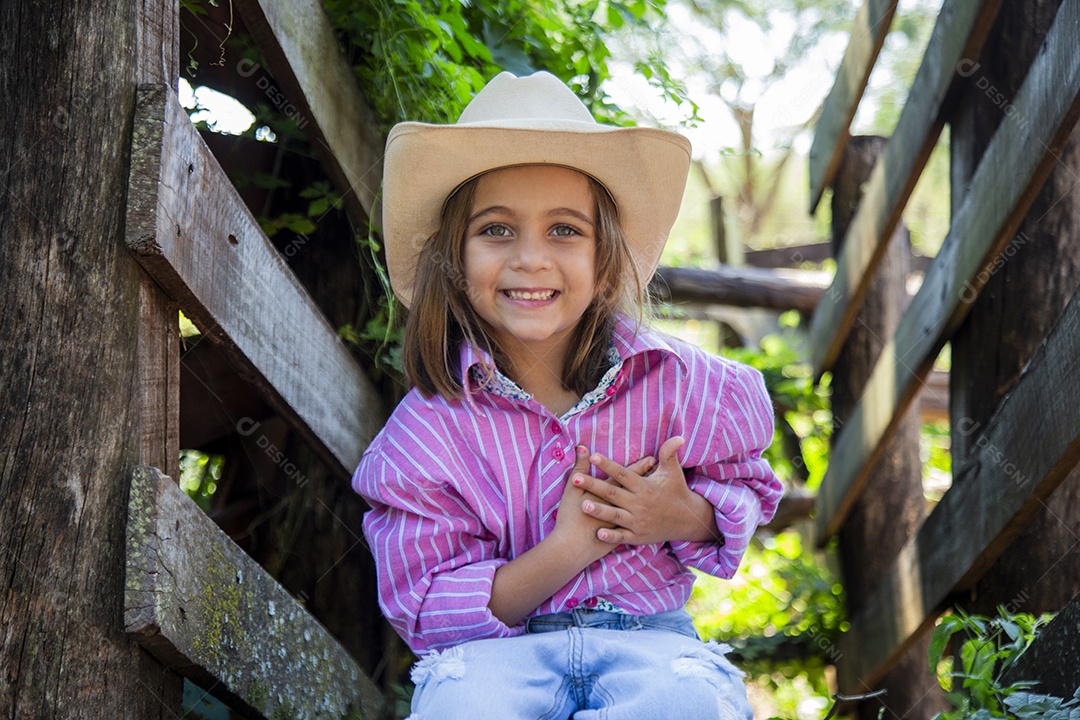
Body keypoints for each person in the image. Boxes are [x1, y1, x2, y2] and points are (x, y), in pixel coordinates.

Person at [353, 70, 782, 719]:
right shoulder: (427, 435)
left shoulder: (682, 386)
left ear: (604, 261)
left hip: (649, 645)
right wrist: (566, 551)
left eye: (564, 230)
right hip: (496, 657)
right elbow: (427, 610)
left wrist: (681, 516)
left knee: (686, 706)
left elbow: (749, 485)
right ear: (454, 259)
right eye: (496, 230)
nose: (530, 257)